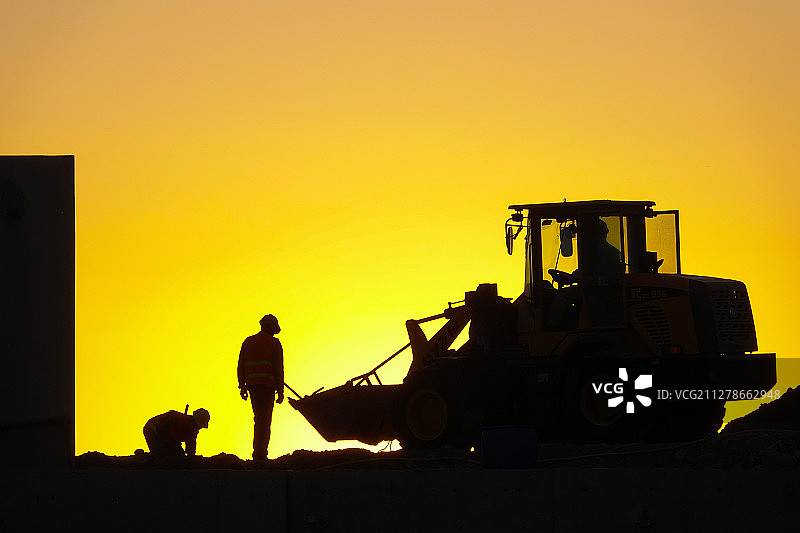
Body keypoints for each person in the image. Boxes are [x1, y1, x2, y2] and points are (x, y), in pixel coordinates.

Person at [238, 314, 285, 461]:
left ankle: (258, 453)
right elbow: (278, 368)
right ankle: (260, 454)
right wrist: (280, 391)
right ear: (272, 328)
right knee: (265, 421)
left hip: (252, 386)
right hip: (267, 387)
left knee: (258, 419)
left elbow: (241, 365)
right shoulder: (274, 343)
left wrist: (242, 386)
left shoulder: (248, 341)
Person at [143, 408, 209, 458]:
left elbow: (191, 445)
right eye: (199, 426)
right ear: (194, 421)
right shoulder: (174, 418)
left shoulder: (192, 431)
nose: (199, 428)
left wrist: (190, 457)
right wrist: (173, 445)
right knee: (162, 455)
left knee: (177, 455)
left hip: (166, 436)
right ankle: (145, 458)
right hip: (152, 430)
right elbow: (162, 432)